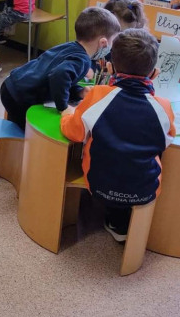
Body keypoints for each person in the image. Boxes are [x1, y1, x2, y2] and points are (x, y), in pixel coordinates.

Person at [61, 29, 175, 242]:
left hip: (97, 185)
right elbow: (165, 142)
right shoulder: (164, 107)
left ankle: (112, 215)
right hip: (145, 191)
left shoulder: (97, 95)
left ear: (111, 67)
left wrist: (67, 115)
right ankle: (121, 222)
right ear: (154, 74)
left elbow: (73, 134)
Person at [1, 7, 121, 130]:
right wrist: (63, 107)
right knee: (31, 132)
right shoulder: (82, 60)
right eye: (112, 41)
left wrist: (79, 91)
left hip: (13, 83)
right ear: (103, 43)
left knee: (19, 127)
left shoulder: (71, 46)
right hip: (20, 96)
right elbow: (58, 75)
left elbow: (63, 76)